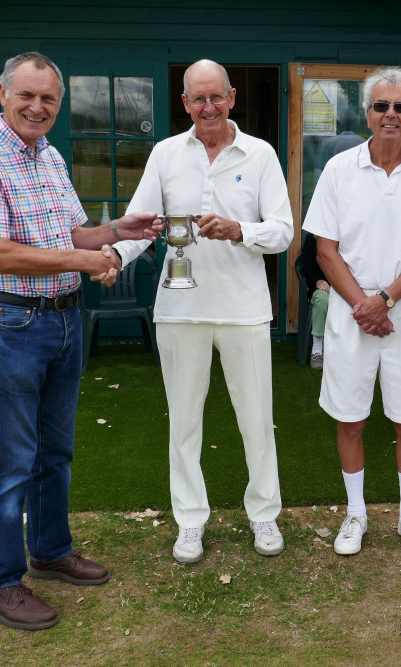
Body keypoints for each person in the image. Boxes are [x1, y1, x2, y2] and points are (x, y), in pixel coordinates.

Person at [0, 51, 162, 631]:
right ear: (3, 95)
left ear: (58, 104)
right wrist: (86, 259)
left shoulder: (50, 156)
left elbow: (73, 232)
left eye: (48, 98)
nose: (37, 107)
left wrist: (121, 229)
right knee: (10, 460)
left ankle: (49, 551)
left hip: (64, 319)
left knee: (55, 452)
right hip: (12, 321)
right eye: (27, 96)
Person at [112, 60, 293, 564]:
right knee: (184, 422)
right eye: (198, 99)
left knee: (256, 420)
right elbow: (139, 226)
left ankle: (264, 514)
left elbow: (283, 232)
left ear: (232, 98)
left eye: (216, 97)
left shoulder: (260, 154)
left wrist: (239, 230)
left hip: (243, 309)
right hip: (180, 306)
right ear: (186, 103)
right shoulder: (166, 153)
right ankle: (190, 520)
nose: (208, 107)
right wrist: (111, 257)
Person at [303, 67, 401, 558]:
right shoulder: (339, 168)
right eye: (381, 106)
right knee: (350, 417)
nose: (390, 114)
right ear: (367, 112)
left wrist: (383, 301)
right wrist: (364, 306)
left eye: (400, 107)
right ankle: (356, 513)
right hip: (350, 308)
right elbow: (324, 248)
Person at [301, 232, 331, 370]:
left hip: (344, 287)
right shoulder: (311, 239)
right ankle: (317, 349)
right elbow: (306, 267)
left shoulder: (348, 235)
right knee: (323, 299)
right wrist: (317, 281)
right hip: (320, 287)